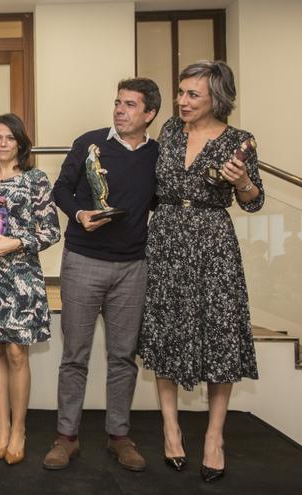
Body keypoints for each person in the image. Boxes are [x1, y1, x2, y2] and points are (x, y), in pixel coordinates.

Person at [137, 60, 263, 483]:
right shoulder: (171, 130)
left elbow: (252, 201)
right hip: (166, 237)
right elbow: (150, 186)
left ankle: (214, 437)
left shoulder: (239, 142)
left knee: (220, 333)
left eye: (193, 94)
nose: (181, 100)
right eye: (181, 92)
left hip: (213, 242)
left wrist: (243, 180)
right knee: (166, 329)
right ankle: (171, 428)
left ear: (217, 98)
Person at [47, 78, 161, 472]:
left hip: (133, 267)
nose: (120, 110)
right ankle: (66, 438)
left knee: (122, 357)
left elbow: (162, 204)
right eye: (118, 102)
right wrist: (79, 214)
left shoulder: (157, 155)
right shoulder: (89, 143)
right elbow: (61, 188)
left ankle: (119, 436)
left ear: (149, 114)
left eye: (130, 105)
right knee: (74, 356)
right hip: (83, 261)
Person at [0, 113, 60, 466]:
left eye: (10, 137)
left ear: (21, 143)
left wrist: (17, 243)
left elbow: (51, 231)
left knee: (16, 354)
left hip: (22, 277)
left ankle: (20, 429)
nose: (3, 143)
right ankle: (3, 427)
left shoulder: (36, 179)